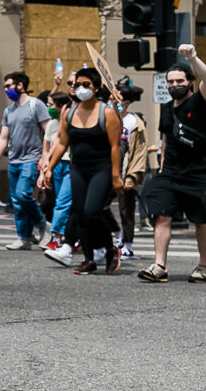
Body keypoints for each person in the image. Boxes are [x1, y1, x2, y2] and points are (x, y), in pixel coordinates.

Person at [40, 68, 122, 275]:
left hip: (100, 169)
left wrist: (115, 175)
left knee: (92, 211)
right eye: (77, 85)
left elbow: (115, 147)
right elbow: (61, 143)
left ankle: (111, 249)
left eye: (86, 85)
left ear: (95, 88)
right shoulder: (69, 112)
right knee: (79, 213)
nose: (80, 89)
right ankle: (88, 259)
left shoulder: (107, 113)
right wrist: (49, 168)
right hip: (77, 168)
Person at [138, 46, 206, 283]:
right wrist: (162, 166)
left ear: (190, 82)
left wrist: (193, 57)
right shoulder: (166, 108)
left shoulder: (200, 101)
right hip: (170, 173)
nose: (174, 84)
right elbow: (166, 139)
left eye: (179, 80)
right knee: (162, 216)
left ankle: (203, 266)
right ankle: (159, 266)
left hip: (199, 173)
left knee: (200, 221)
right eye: (170, 81)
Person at [0, 70, 50, 250]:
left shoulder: (36, 105)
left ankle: (42, 224)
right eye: (5, 87)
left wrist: (45, 157)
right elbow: (3, 137)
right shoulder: (8, 110)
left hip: (31, 159)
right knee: (17, 200)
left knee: (23, 195)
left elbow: (48, 132)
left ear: (20, 85)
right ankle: (23, 237)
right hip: (14, 161)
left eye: (9, 86)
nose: (7, 90)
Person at [117, 84, 148, 260]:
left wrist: (132, 176)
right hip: (107, 171)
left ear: (126, 102)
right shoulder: (107, 117)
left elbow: (139, 152)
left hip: (126, 171)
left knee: (126, 210)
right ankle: (116, 239)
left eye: (118, 99)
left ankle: (127, 245)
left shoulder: (135, 124)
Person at [39, 91, 72, 251]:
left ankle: (57, 238)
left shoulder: (72, 120)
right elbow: (47, 148)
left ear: (61, 106)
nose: (48, 107)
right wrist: (45, 169)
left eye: (51, 105)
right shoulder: (52, 124)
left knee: (62, 202)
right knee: (59, 200)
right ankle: (65, 236)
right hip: (55, 165)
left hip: (70, 163)